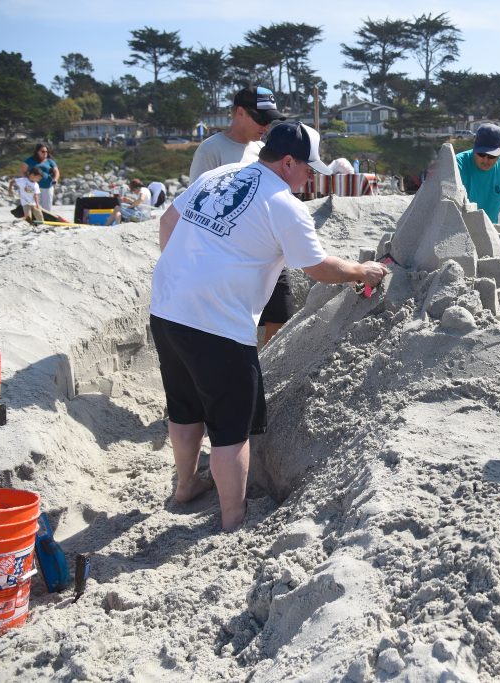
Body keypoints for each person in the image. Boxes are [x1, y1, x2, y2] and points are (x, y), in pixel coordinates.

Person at [150, 122, 389, 531]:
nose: (312, 177)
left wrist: (190, 269)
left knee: (184, 403)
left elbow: (168, 224)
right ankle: (232, 519)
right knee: (231, 428)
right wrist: (359, 271)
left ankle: (186, 486)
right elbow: (316, 266)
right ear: (288, 161)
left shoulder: (215, 176)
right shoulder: (283, 202)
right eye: (309, 168)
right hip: (218, 324)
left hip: (168, 308)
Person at [191, 86, 293, 346]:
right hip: (228, 253)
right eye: (261, 118)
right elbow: (196, 203)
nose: (266, 125)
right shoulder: (210, 150)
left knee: (281, 312)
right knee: (233, 321)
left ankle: (266, 370)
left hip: (266, 247)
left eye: (270, 119)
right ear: (239, 112)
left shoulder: (263, 149)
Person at [455, 123, 500, 225]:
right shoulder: (457, 165)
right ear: (474, 146)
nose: (485, 160)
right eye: (481, 154)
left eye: (492, 156)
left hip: (489, 236)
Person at [20, 143, 60, 211]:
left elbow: (56, 171)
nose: (45, 153)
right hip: (33, 187)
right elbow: (23, 172)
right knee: (34, 205)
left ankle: (46, 220)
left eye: (46, 151)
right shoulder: (29, 160)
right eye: (43, 151)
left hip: (47, 186)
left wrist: (55, 179)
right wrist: (28, 182)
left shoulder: (50, 161)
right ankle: (35, 219)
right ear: (37, 152)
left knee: (47, 207)